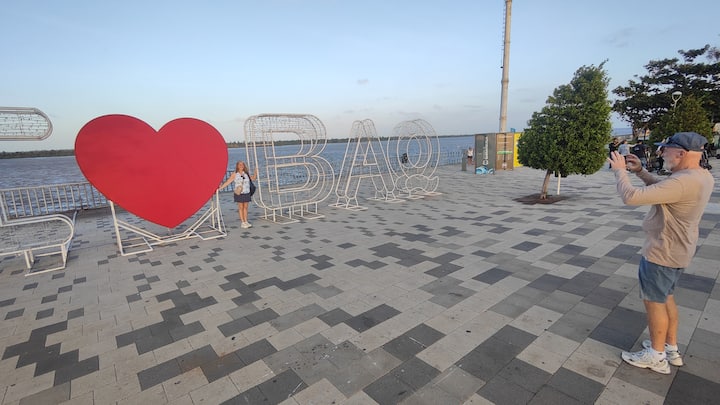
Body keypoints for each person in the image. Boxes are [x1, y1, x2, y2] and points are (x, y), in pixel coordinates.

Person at [607, 132, 714, 375]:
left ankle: (656, 356)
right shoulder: (700, 176)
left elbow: (631, 197)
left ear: (681, 153)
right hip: (679, 249)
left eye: (666, 149)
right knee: (666, 298)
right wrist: (640, 172)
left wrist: (620, 171)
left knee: (655, 302)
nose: (662, 153)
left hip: (663, 251)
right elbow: (665, 190)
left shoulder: (682, 181)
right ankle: (670, 348)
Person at [219, 161, 258, 229]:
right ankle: (242, 222)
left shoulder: (246, 173)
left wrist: (256, 171)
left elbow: (253, 178)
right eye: (239, 164)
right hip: (239, 193)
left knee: (245, 207)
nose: (241, 165)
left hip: (246, 192)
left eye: (242, 164)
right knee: (241, 207)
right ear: (237, 166)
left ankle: (246, 221)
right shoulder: (235, 174)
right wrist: (220, 188)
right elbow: (228, 181)